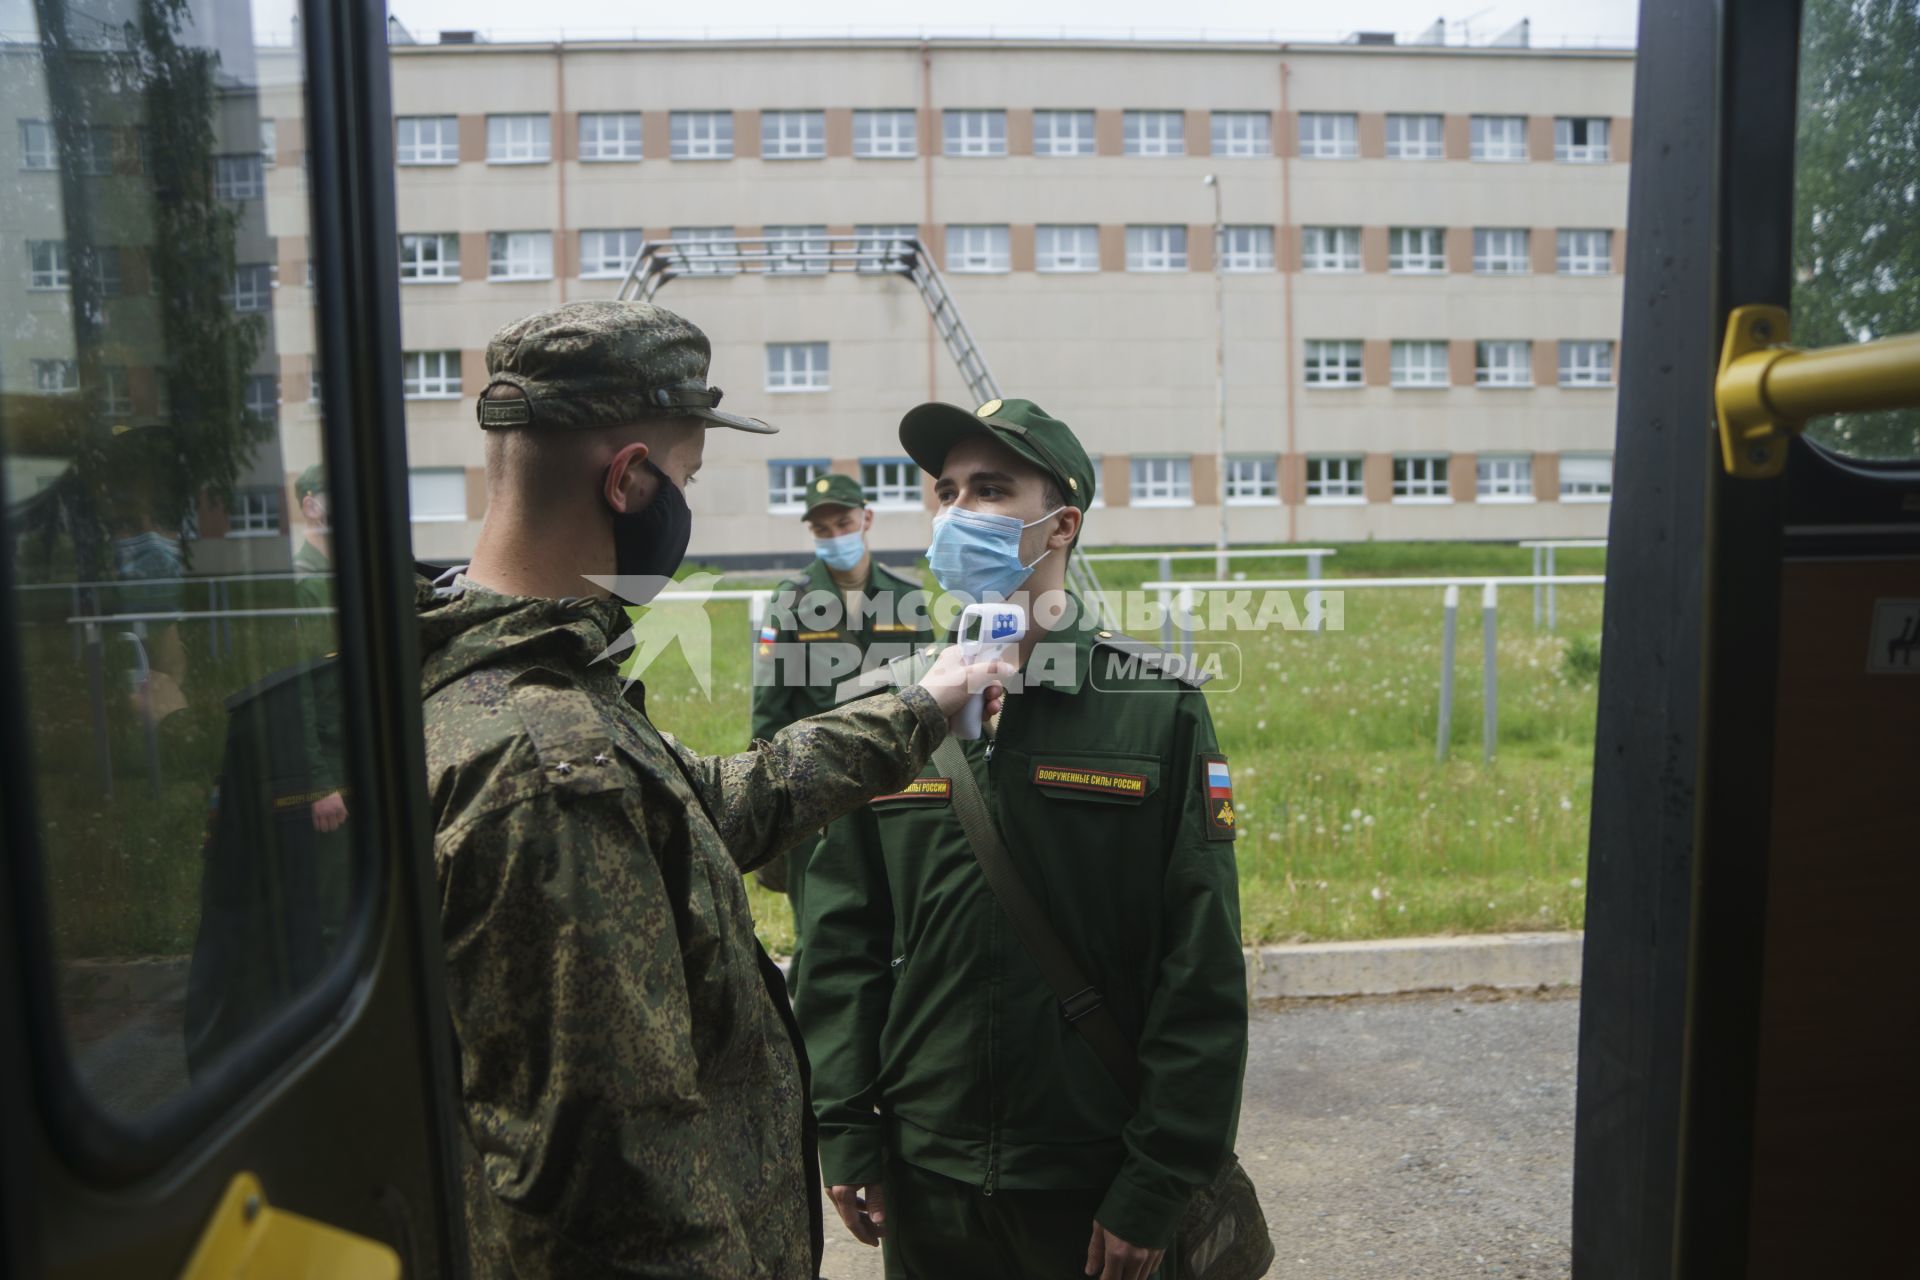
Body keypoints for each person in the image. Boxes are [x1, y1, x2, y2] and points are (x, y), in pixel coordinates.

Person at [415, 300, 1008, 1280]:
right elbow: (625, 1186)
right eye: (686, 479)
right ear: (628, 479)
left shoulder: (509, 683)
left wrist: (923, 704)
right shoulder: (545, 763)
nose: (682, 506)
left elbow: (716, 799)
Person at [793, 398, 1250, 1280]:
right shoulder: (880, 714)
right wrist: (843, 1127)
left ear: (1060, 524)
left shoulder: (1155, 712)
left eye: (992, 490)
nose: (959, 514)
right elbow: (839, 943)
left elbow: (1202, 970)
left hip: (1090, 1180)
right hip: (929, 1181)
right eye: (947, 492)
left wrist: (1156, 1183)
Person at [749, 470, 933, 981]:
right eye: (822, 529)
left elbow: (930, 690)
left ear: (866, 519)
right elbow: (770, 701)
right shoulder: (792, 600)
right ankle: (815, 1039)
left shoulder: (905, 597)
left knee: (899, 918)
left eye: (843, 523)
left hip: (896, 783)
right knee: (823, 926)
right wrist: (769, 796)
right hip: (818, 785)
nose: (834, 536)